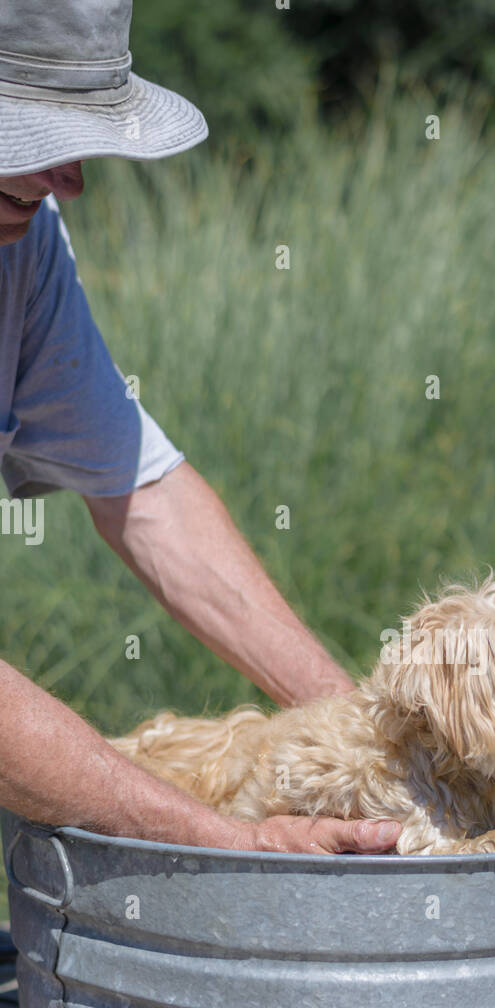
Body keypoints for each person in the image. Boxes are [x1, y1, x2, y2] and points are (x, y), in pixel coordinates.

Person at [0, 1, 401, 856]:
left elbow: (142, 491)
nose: (71, 179)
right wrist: (228, 841)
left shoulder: (20, 238)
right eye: (31, 135)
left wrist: (359, 732)